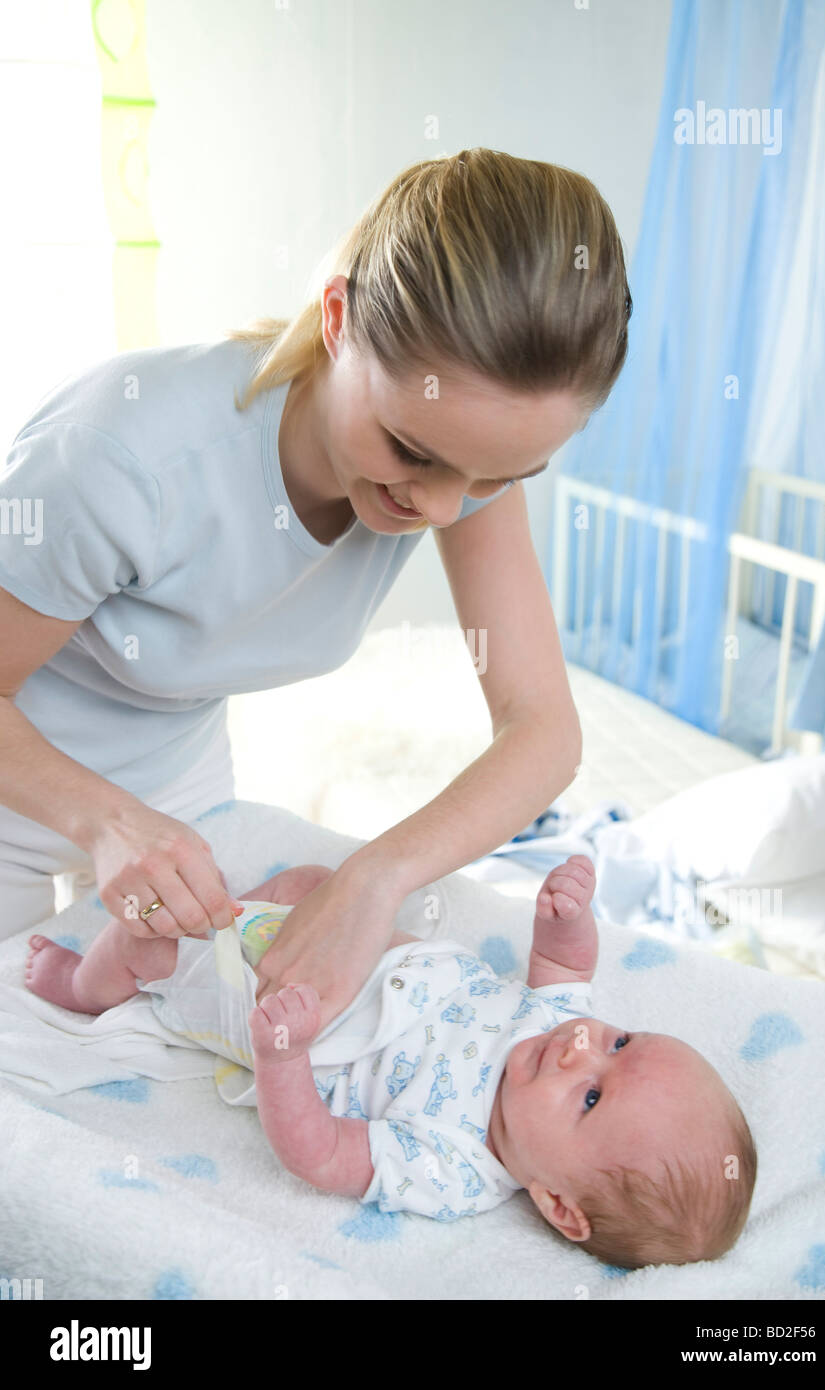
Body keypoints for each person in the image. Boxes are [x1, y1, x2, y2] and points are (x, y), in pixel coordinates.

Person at [0, 147, 632, 1032]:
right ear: (338, 319)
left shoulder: (466, 464)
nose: (443, 506)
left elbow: (544, 733)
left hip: (177, 783)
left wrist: (377, 876)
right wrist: (106, 823)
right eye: (413, 451)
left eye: (498, 476)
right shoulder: (123, 456)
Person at [24, 854, 757, 1269]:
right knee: (308, 882)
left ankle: (83, 986)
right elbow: (564, 969)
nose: (583, 1049)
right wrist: (563, 922)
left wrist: (284, 1058)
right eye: (622, 1041)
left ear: (558, 1204)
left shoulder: (455, 1168)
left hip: (287, 1010)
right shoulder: (562, 1027)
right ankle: (232, 920)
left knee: (148, 942)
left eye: (591, 1098)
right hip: (355, 946)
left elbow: (320, 1156)